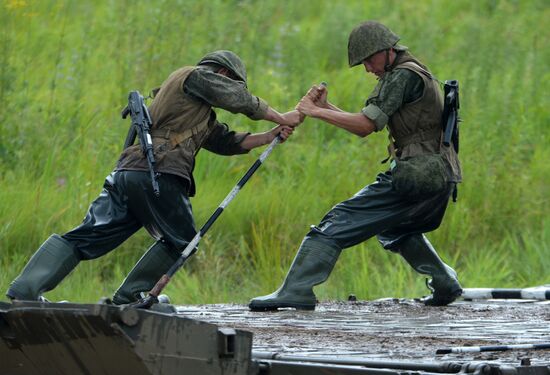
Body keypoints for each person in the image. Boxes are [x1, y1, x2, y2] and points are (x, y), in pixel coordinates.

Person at [7, 50, 302, 304]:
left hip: (129, 173)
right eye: (230, 82)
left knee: (89, 235)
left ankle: (25, 290)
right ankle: (130, 297)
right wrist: (281, 116)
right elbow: (238, 98)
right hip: (159, 172)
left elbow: (223, 141)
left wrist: (268, 136)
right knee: (183, 239)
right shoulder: (195, 76)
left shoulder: (188, 105)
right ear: (222, 73)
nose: (229, 88)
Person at [249, 21, 462, 311]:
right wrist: (326, 108)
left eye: (370, 60)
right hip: (440, 175)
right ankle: (444, 283)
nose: (367, 68)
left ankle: (296, 290)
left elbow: (364, 126)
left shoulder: (400, 76)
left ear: (388, 51)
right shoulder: (414, 71)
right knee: (397, 229)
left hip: (417, 173)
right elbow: (366, 120)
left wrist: (313, 111)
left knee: (336, 222)